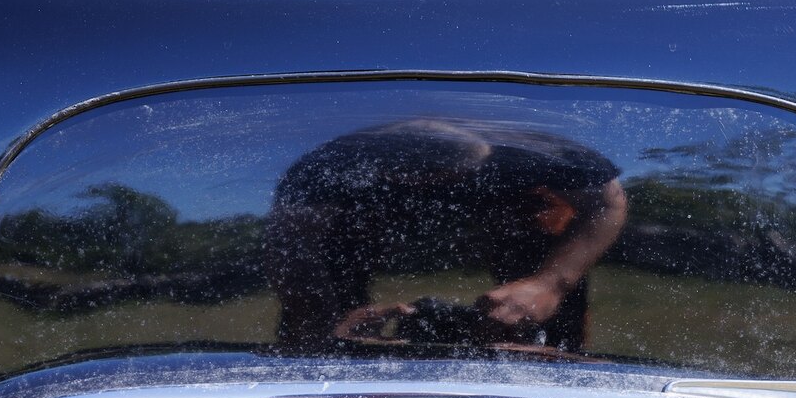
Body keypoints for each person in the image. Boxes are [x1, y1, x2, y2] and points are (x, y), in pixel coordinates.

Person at [265, 118, 627, 353]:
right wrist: (325, 326)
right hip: (346, 263)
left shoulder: (535, 155)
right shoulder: (327, 169)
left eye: (449, 182)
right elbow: (292, 249)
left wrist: (550, 283)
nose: (432, 193)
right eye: (413, 186)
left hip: (525, 255)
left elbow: (609, 202)